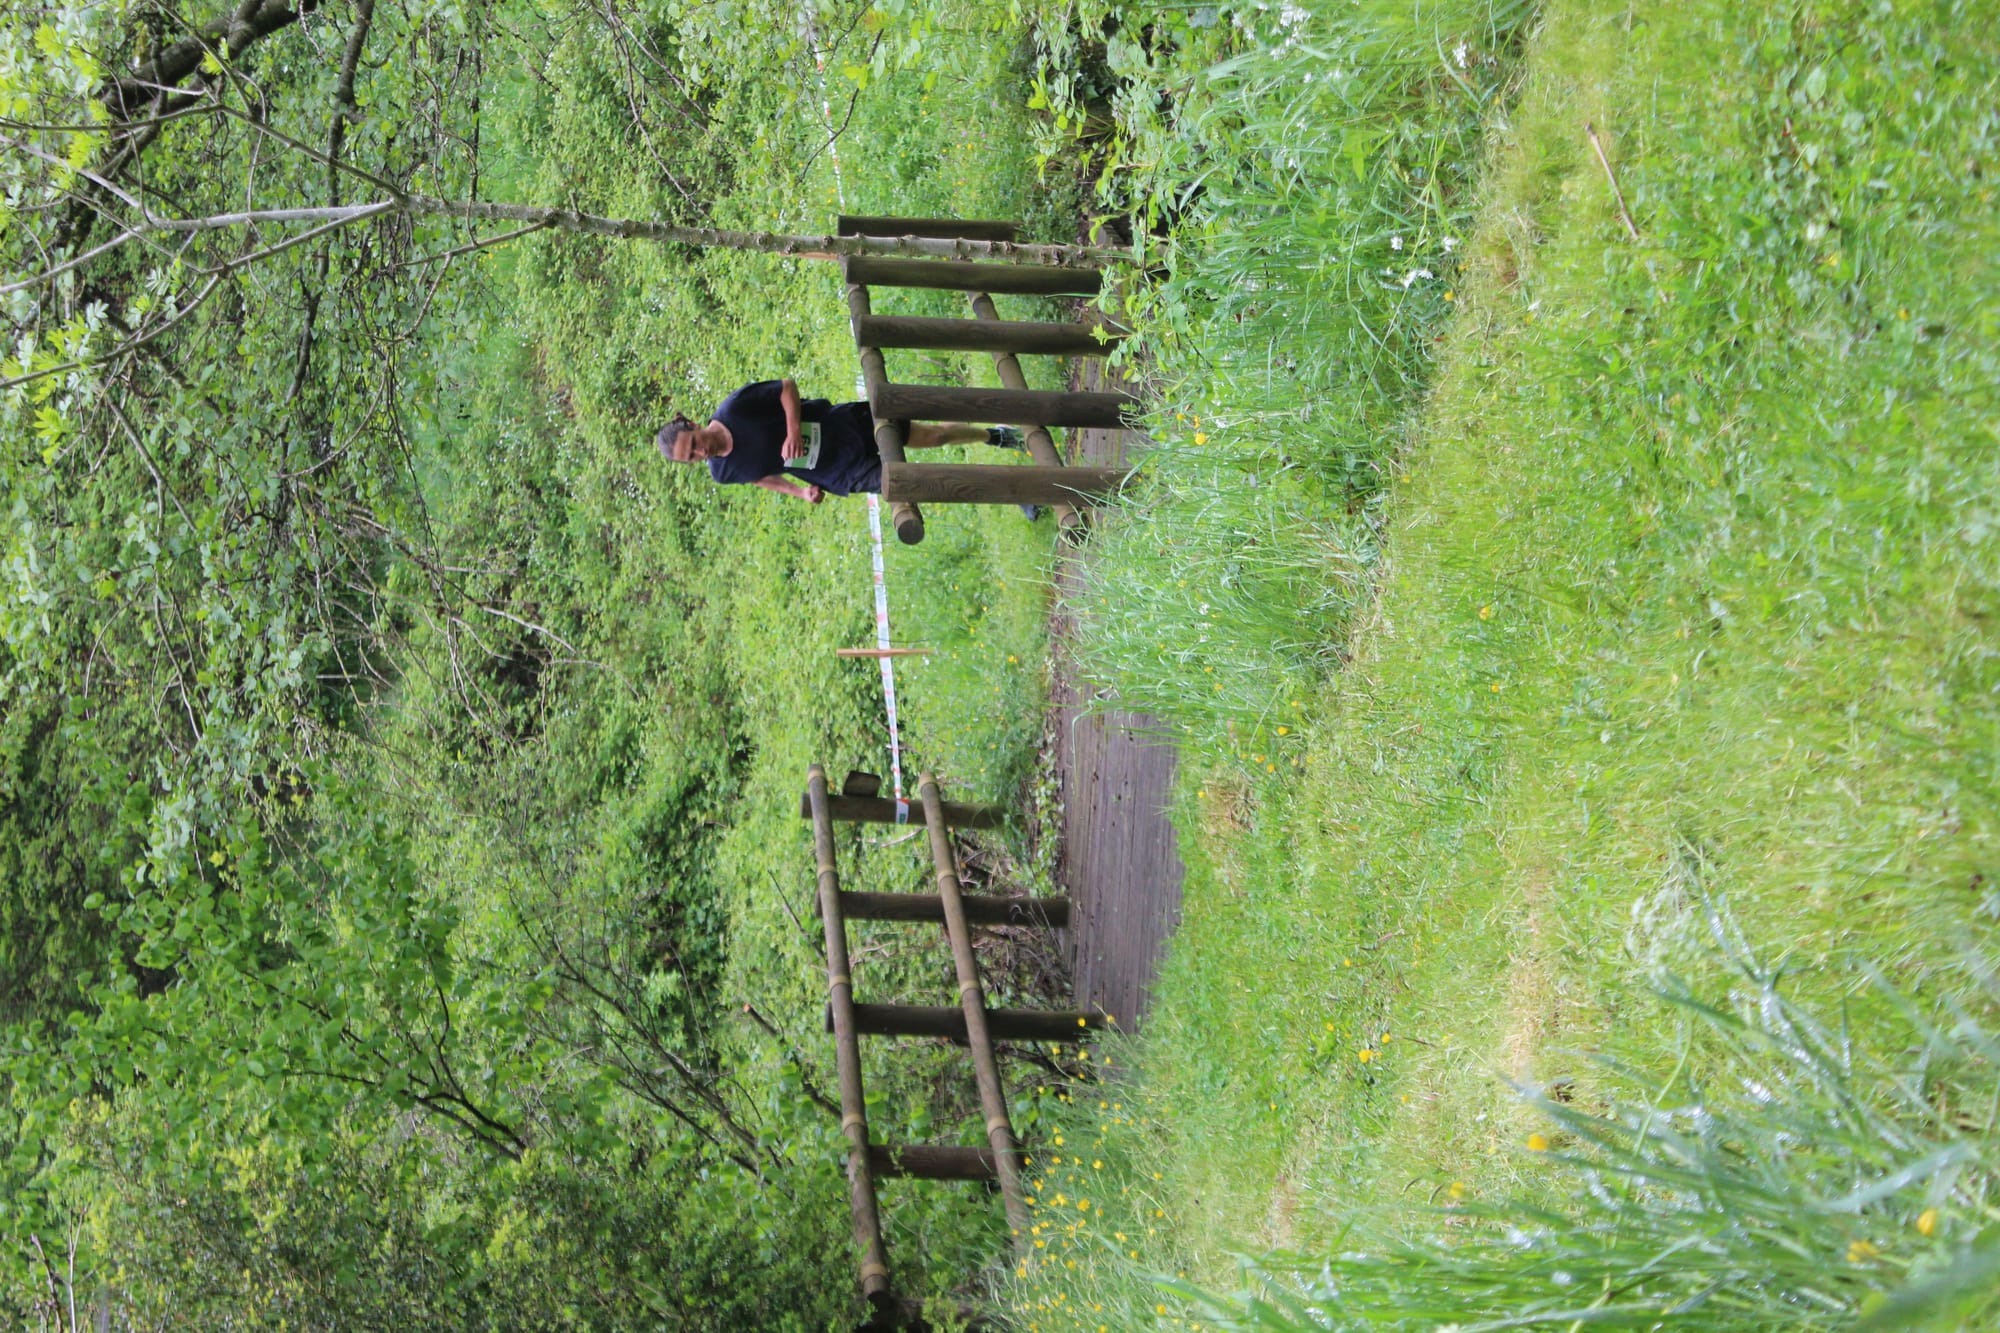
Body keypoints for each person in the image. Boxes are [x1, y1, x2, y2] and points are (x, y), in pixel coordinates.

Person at [656, 377, 1029, 508]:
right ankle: (1013, 490)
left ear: (692, 423)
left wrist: (792, 430)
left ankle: (993, 435)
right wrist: (799, 492)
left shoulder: (735, 408)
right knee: (913, 482)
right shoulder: (722, 472)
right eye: (692, 458)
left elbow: (786, 387)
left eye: (695, 444)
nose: (701, 453)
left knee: (933, 436)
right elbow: (758, 476)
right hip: (838, 471)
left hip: (845, 426)